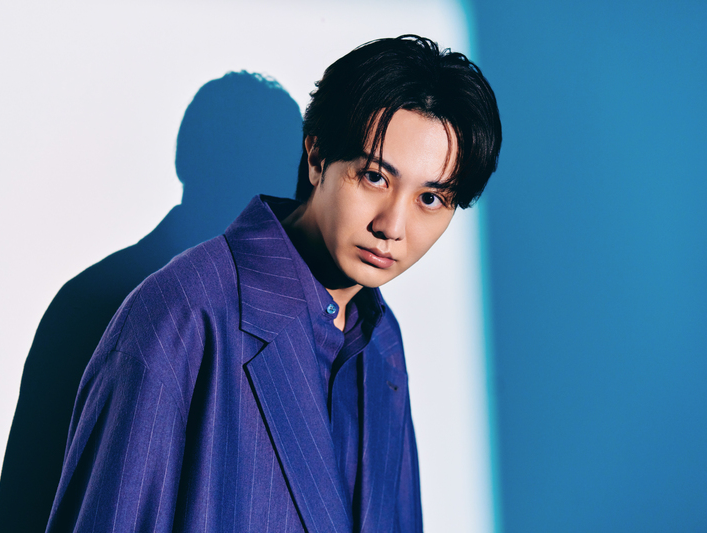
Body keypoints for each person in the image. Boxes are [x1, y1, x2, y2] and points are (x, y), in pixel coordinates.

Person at [45, 35, 501, 532]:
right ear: (317, 157)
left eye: (430, 199)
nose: (392, 226)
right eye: (375, 177)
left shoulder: (380, 340)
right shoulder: (183, 314)